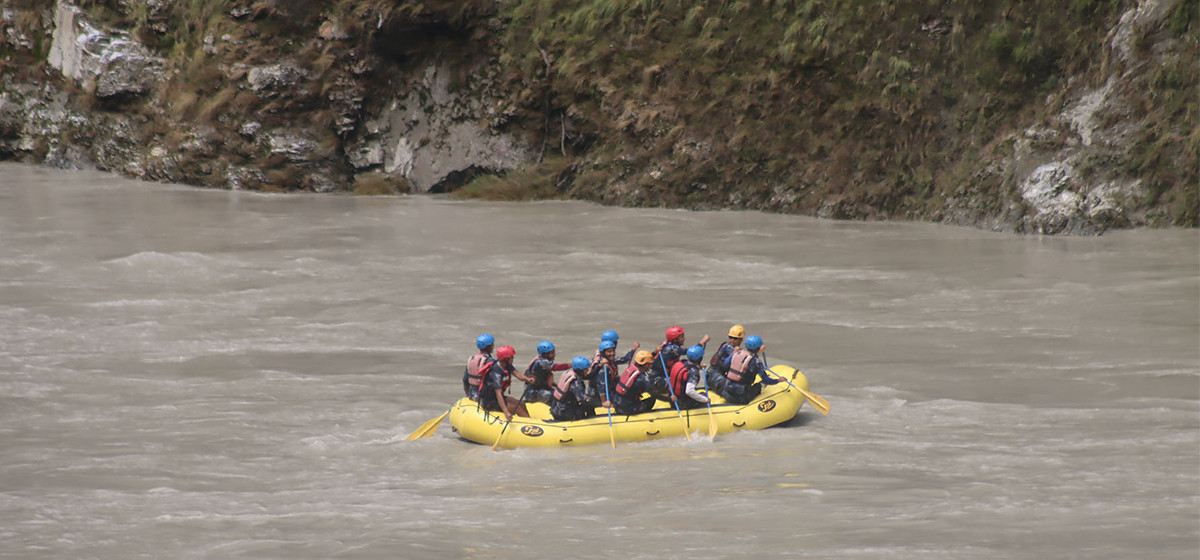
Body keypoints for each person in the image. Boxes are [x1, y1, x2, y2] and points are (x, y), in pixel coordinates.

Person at [715, 335, 780, 404]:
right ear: (759, 347)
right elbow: (767, 380)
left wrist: (733, 354)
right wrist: (778, 380)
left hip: (727, 392)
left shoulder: (737, 353)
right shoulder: (756, 362)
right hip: (741, 397)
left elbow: (725, 363)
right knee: (759, 384)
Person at [650, 326, 710, 395]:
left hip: (660, 376)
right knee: (680, 381)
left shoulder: (669, 345)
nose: (684, 339)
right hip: (656, 380)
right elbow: (693, 352)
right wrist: (702, 342)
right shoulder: (671, 349)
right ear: (675, 339)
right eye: (681, 337)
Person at [478, 345, 529, 420]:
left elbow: (518, 375)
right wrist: (506, 412)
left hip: (496, 398)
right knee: (517, 408)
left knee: (521, 403)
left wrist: (528, 379)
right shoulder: (496, 373)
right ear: (506, 359)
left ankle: (530, 420)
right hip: (489, 402)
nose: (513, 358)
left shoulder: (507, 366)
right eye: (512, 357)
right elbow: (498, 394)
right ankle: (529, 426)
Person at [518, 340, 569, 406]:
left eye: (554, 352)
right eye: (552, 353)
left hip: (540, 389)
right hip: (533, 393)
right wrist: (573, 365)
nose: (554, 355)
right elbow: (557, 367)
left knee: (560, 394)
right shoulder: (542, 362)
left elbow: (542, 378)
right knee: (556, 396)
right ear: (545, 354)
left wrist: (557, 387)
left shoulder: (541, 360)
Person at [551, 356, 596, 421]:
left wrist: (599, 366)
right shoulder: (575, 383)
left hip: (556, 407)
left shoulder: (569, 373)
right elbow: (582, 400)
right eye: (585, 369)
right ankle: (591, 423)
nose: (587, 371)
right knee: (589, 406)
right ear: (580, 370)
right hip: (563, 412)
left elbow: (589, 376)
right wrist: (599, 403)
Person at [612, 350, 657, 415]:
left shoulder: (631, 367)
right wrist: (669, 399)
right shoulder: (642, 378)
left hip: (616, 403)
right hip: (625, 408)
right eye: (649, 364)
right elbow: (652, 391)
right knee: (651, 399)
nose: (651, 366)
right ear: (645, 364)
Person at [666, 344, 710, 410]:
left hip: (672, 398)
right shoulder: (693, 372)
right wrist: (705, 400)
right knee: (704, 395)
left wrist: (698, 367)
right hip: (682, 403)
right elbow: (689, 391)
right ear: (700, 358)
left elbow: (689, 366)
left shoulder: (681, 362)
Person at [586, 339, 619, 408]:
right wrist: (604, 402)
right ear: (603, 353)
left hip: (607, 387)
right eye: (609, 352)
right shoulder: (602, 368)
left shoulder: (610, 361)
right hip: (597, 394)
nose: (612, 353)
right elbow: (601, 387)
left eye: (613, 351)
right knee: (620, 401)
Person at [462, 333, 494, 400]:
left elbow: (465, 379)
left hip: (472, 394)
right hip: (484, 397)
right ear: (489, 347)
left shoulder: (471, 359)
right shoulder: (490, 361)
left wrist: (467, 394)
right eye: (492, 344)